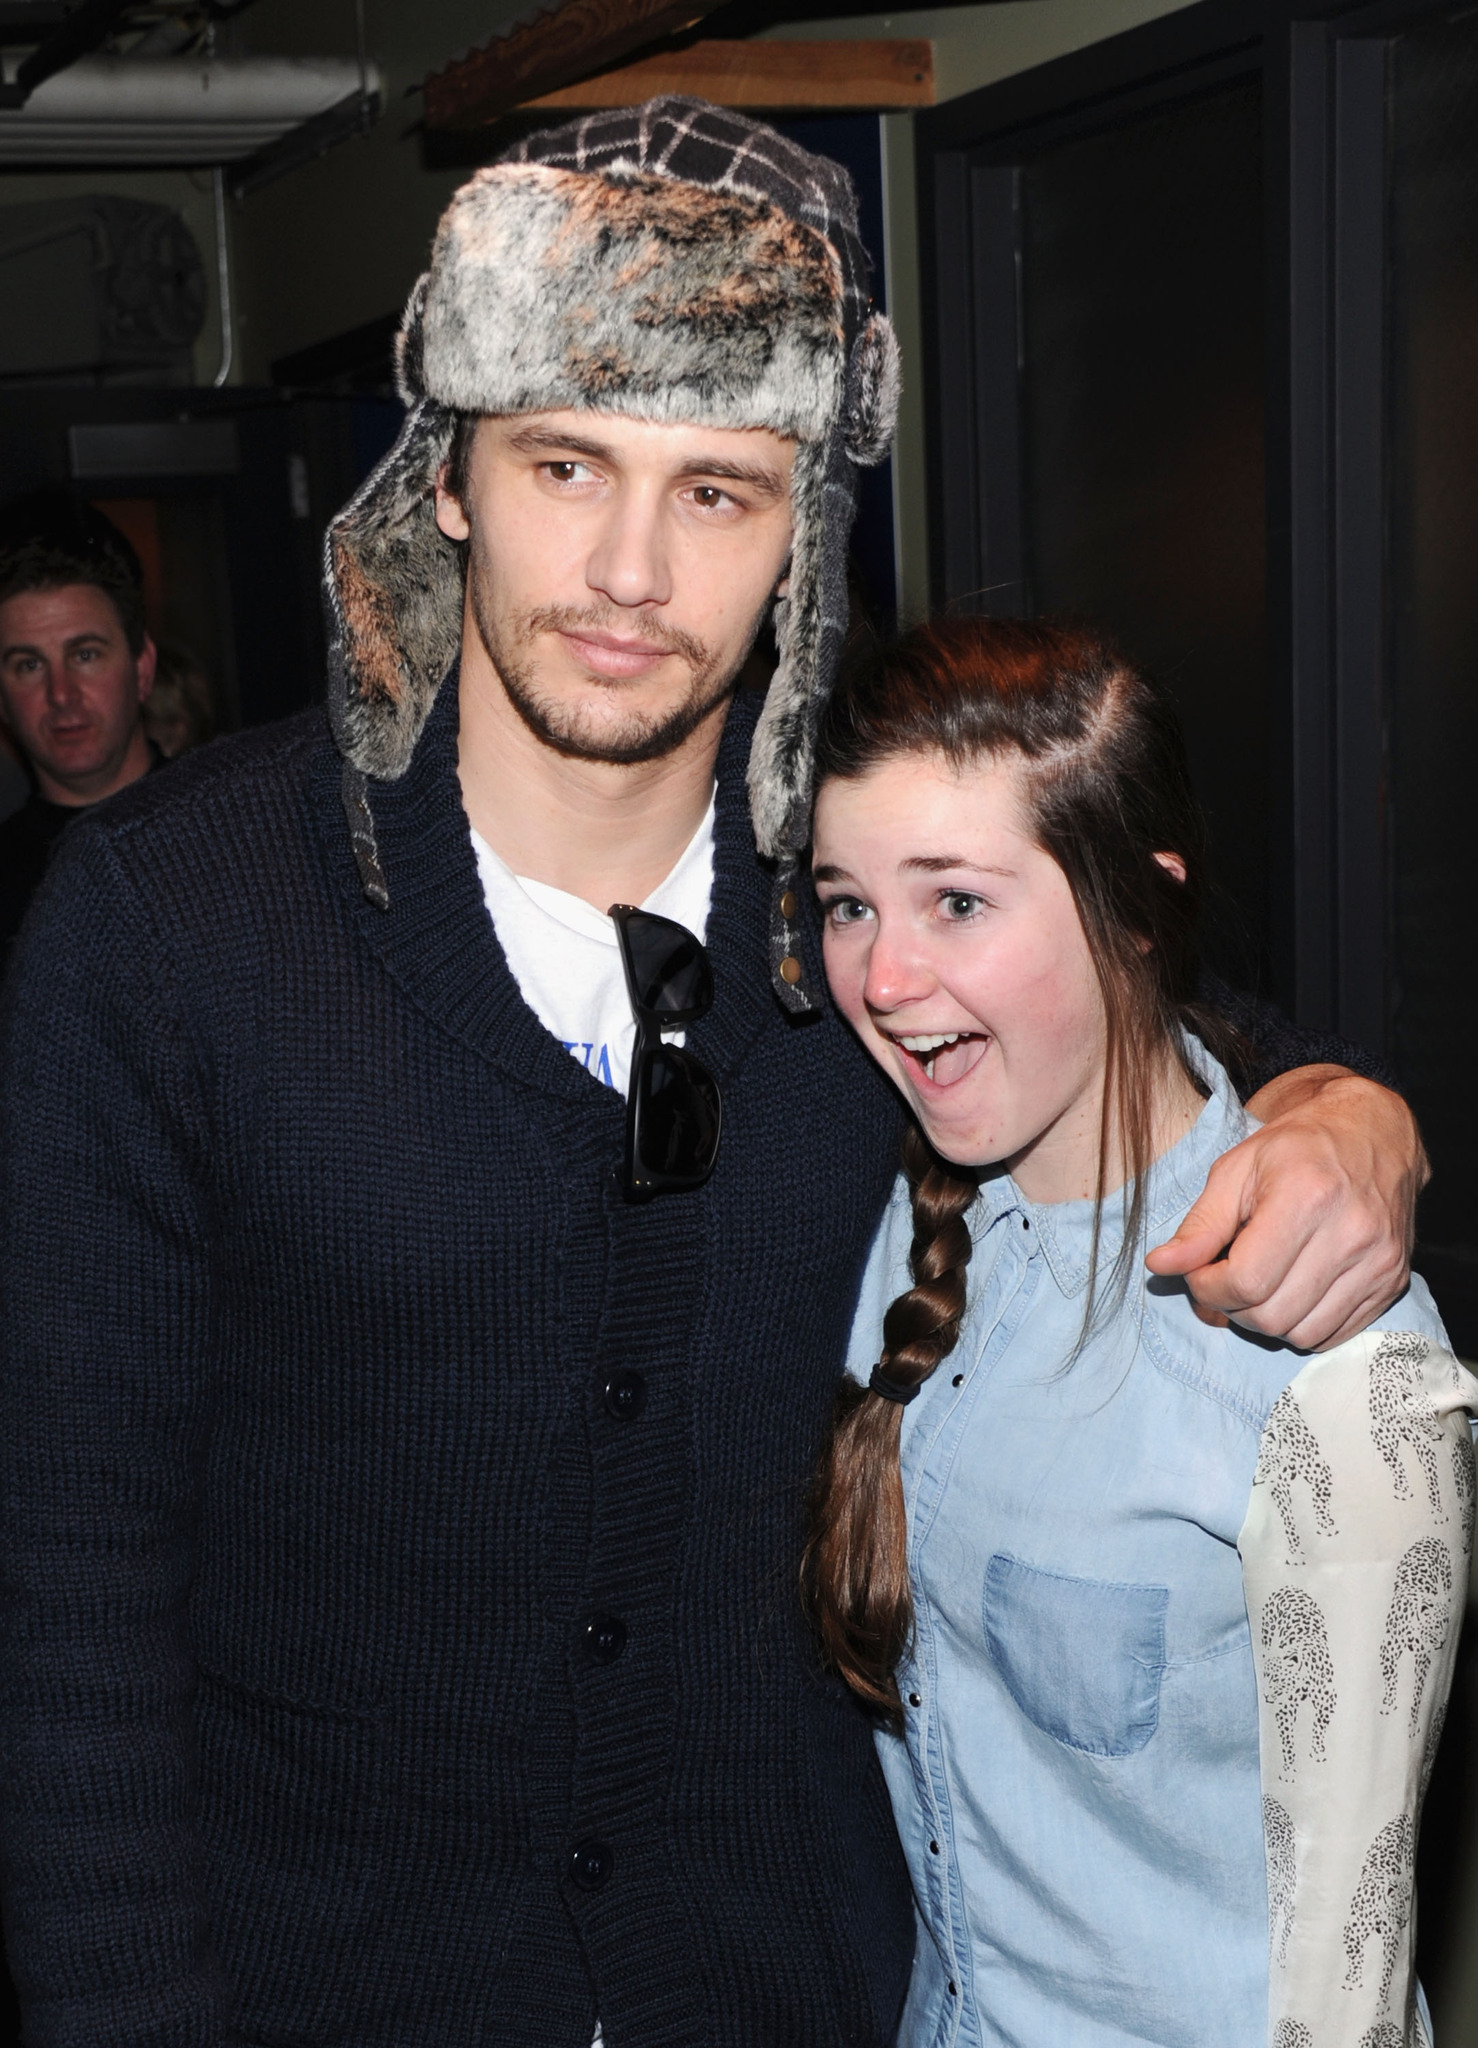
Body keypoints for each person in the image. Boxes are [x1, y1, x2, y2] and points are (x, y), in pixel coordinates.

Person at [0, 100, 1427, 2048]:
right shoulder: (172, 930)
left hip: (796, 1985)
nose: (625, 568)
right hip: (336, 1984)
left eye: (718, 490)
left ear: (802, 531)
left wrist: (1352, 1112)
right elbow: (71, 1596)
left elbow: (1158, 1039)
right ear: (447, 479)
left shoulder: (868, 929)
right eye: (565, 460)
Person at [804, 615, 1474, 2048]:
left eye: (955, 903)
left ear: (1136, 903)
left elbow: (1340, 1999)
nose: (880, 976)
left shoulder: (1333, 1363)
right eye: (846, 901)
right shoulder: (889, 1218)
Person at [0, 499, 159, 954]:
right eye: (29, 664)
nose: (61, 694)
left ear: (142, 669)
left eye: (85, 655)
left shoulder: (233, 835)